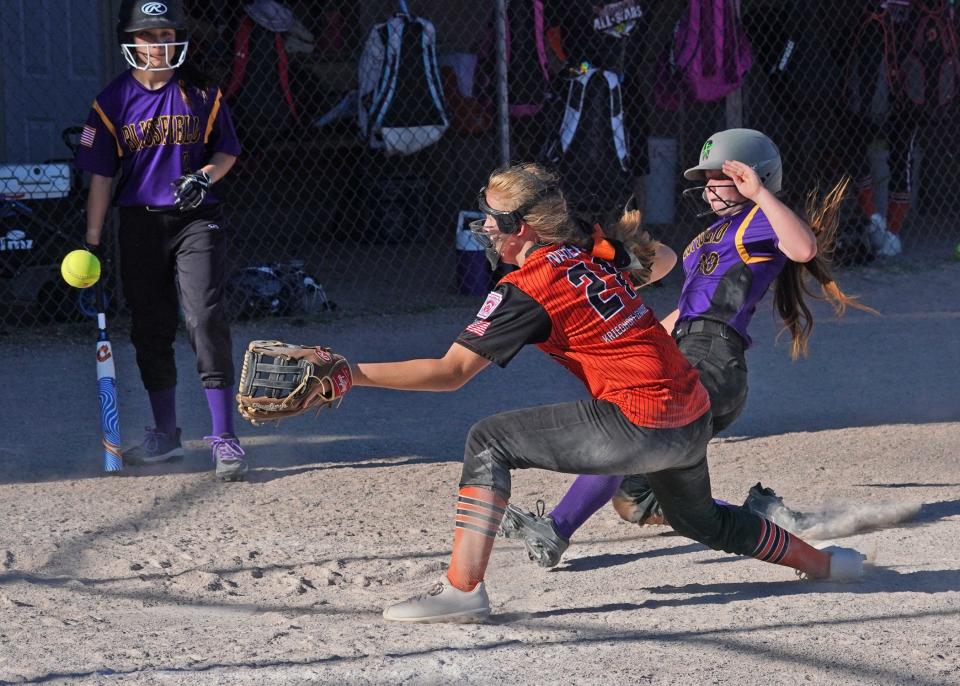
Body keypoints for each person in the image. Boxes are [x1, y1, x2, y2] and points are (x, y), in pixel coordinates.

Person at [326, 161, 863, 623]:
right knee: (702, 520)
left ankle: (462, 592)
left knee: (486, 440)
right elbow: (664, 263)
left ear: (527, 228)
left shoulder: (527, 285)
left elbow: (450, 373)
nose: (486, 227)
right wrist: (609, 252)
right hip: (691, 414)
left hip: (644, 417)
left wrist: (349, 372)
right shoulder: (586, 259)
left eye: (496, 219)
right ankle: (826, 564)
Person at [500, 129, 874, 568]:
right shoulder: (708, 239)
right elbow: (687, 307)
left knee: (626, 434)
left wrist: (760, 194)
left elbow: (803, 247)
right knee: (635, 499)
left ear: (755, 178)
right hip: (691, 349)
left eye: (722, 176)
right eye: (708, 178)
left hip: (713, 359)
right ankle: (763, 517)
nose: (711, 186)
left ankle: (555, 528)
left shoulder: (761, 219)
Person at [74, 0, 247, 481]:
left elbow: (226, 151)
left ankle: (224, 437)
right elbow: (102, 179)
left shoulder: (201, 93)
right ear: (131, 43)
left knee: (204, 315)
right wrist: (91, 244)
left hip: (196, 219)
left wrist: (204, 179)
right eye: (149, 36)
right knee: (151, 325)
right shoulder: (111, 102)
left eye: (167, 34)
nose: (160, 44)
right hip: (140, 224)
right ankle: (166, 433)